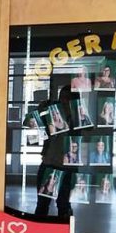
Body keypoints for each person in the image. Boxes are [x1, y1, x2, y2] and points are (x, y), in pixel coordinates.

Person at [33, 86, 77, 220]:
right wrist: (42, 108)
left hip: (67, 167)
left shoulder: (78, 118)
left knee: (63, 204)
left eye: (67, 98)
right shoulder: (52, 114)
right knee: (43, 203)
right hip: (49, 163)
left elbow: (87, 133)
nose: (64, 101)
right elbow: (33, 121)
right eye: (62, 98)